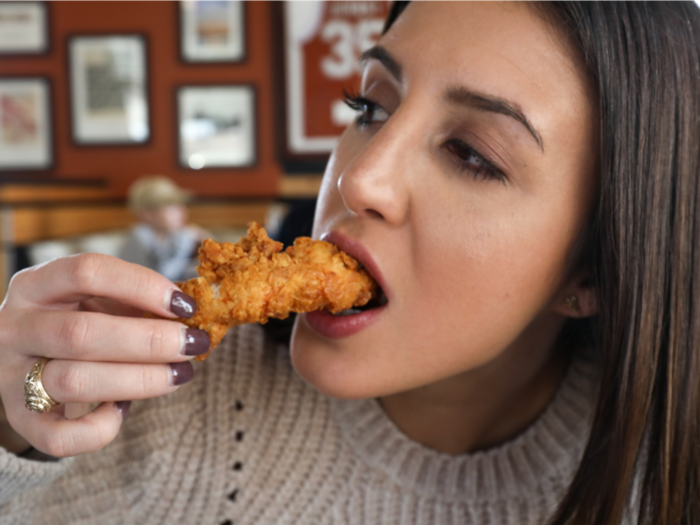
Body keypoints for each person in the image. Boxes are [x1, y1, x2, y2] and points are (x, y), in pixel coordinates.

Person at [0, 0, 698, 523]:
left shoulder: (662, 482)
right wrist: (14, 429)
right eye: (370, 105)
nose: (359, 179)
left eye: (473, 155)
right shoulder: (149, 400)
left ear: (592, 272)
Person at [119, 176, 206, 282]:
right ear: (147, 213)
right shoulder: (140, 235)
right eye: (171, 205)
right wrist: (185, 240)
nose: (183, 210)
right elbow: (163, 277)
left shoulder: (167, 237)